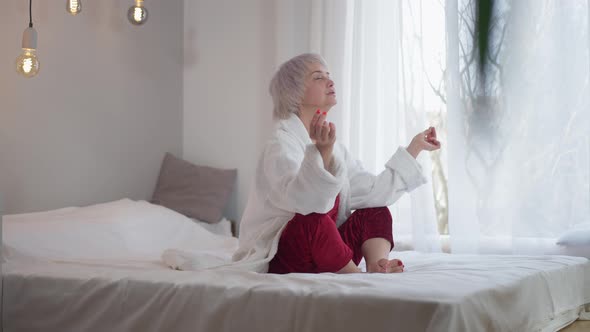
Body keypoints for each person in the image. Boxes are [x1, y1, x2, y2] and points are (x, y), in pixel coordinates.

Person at [232, 53, 441, 274]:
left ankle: (378, 265)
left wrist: (414, 148)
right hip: (289, 252)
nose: (330, 81)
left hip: (326, 248)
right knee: (313, 221)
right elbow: (305, 203)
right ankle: (355, 274)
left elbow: (373, 192)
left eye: (329, 75)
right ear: (295, 92)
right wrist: (321, 154)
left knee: (376, 210)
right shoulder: (280, 145)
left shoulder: (334, 146)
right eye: (318, 77)